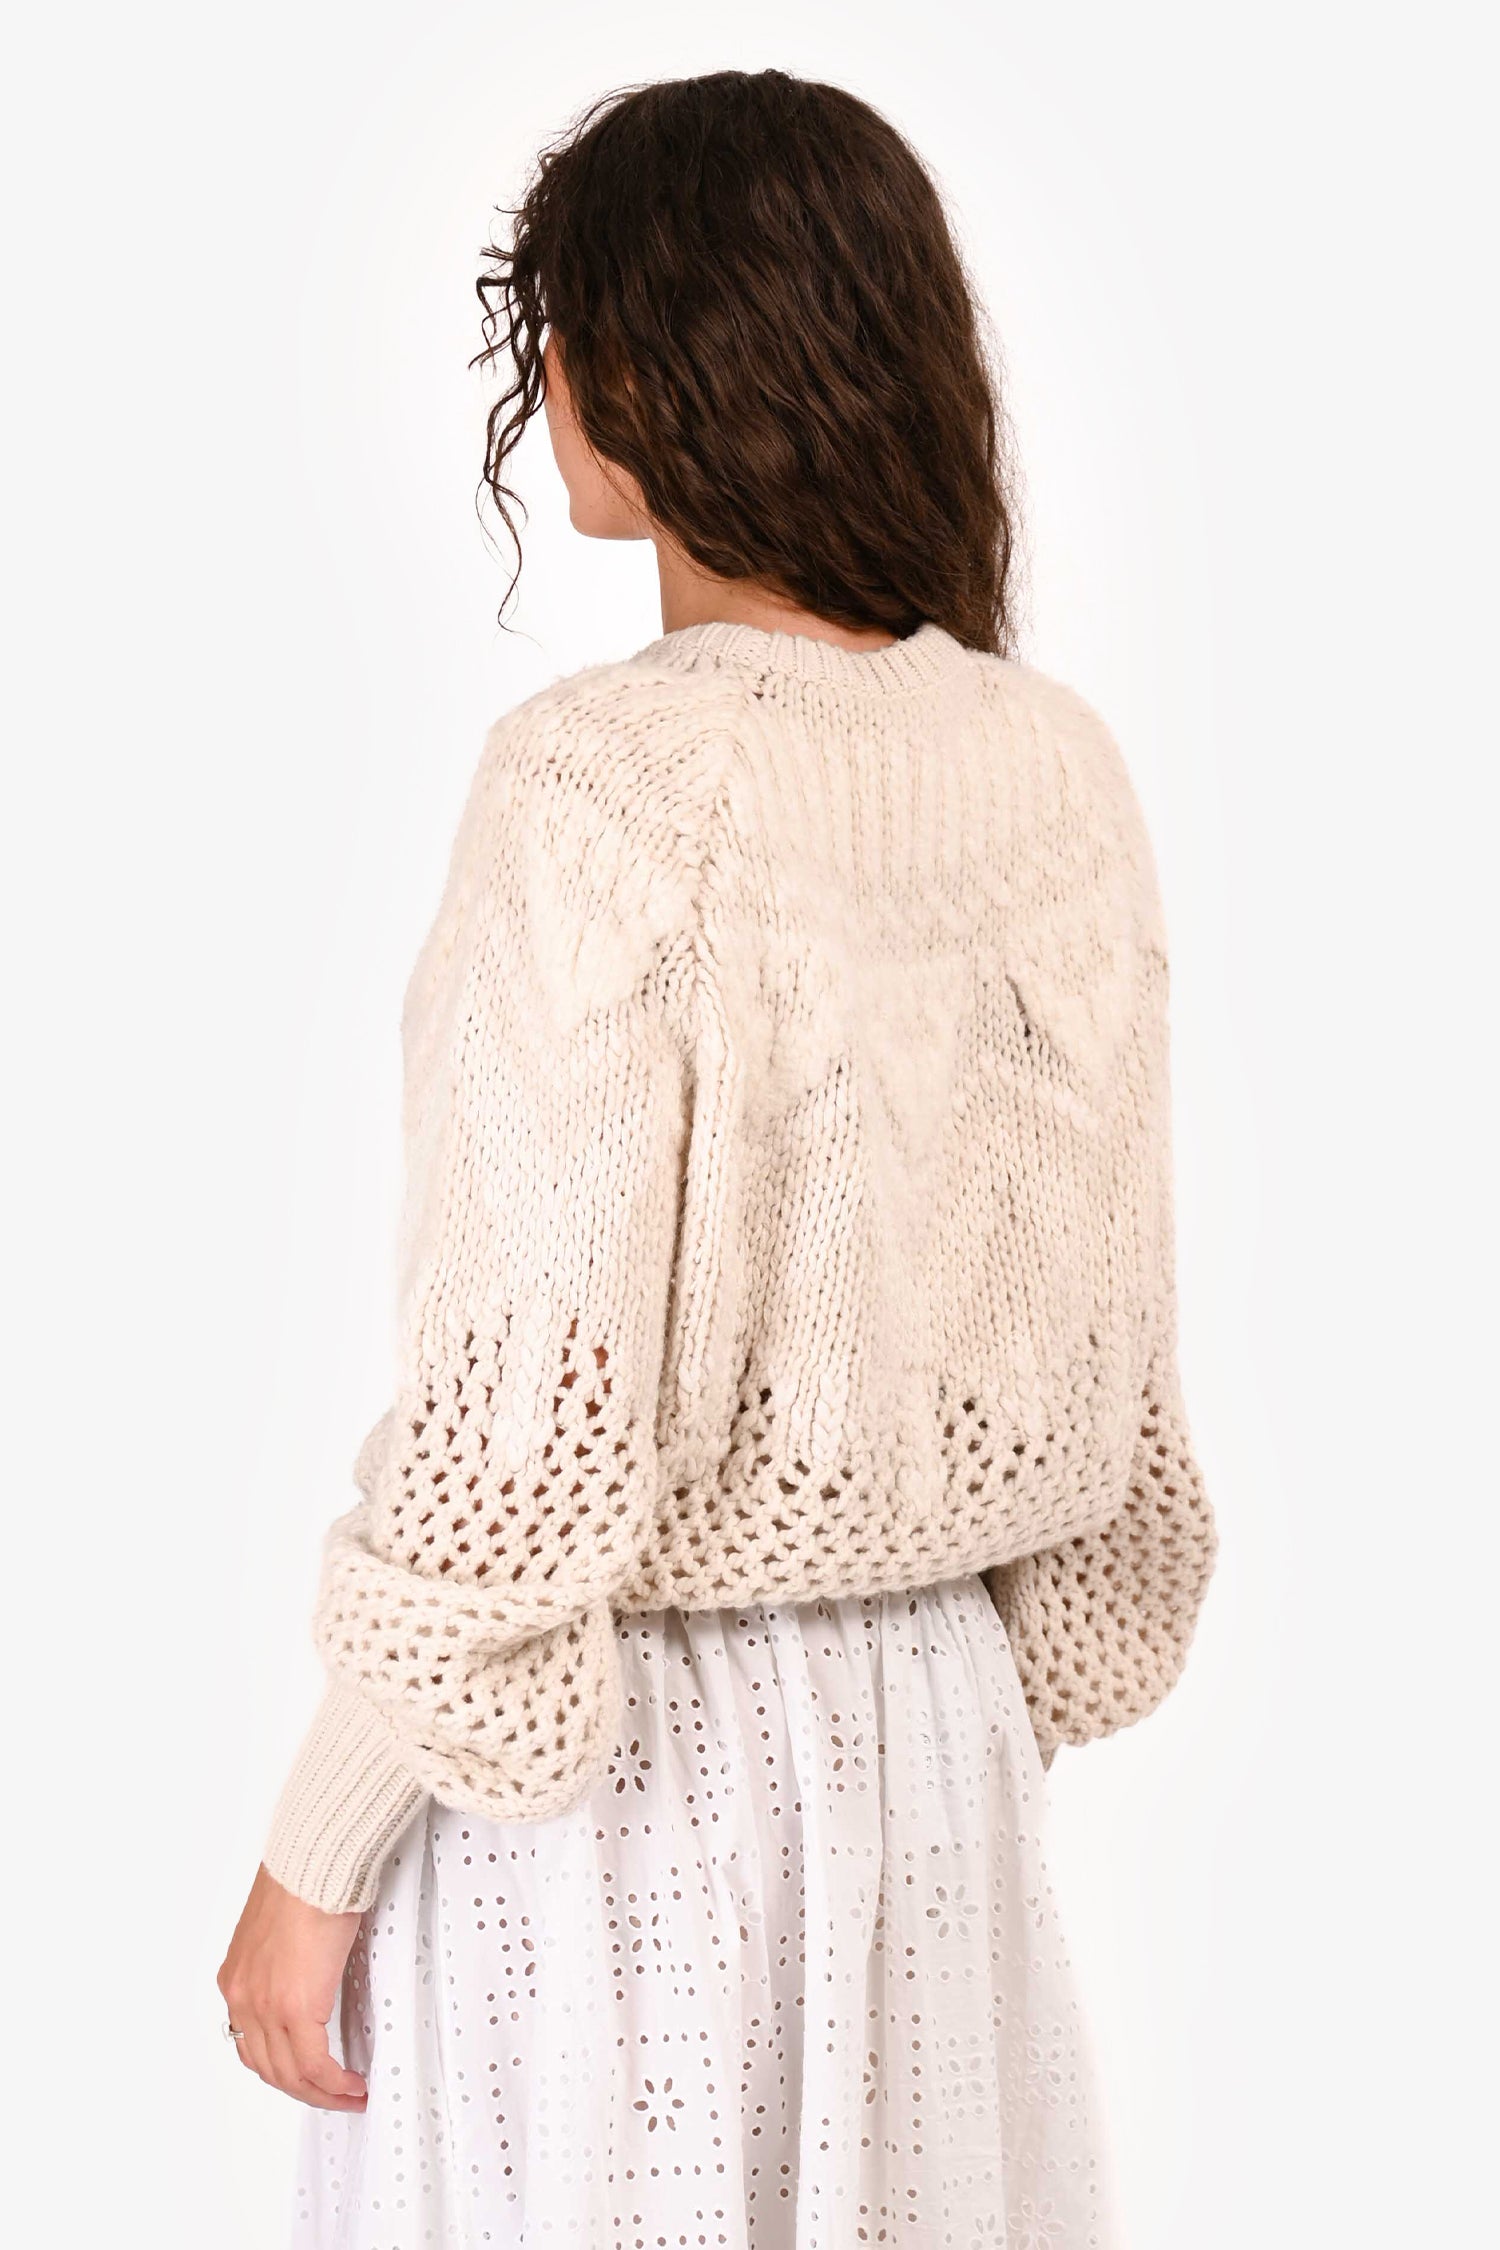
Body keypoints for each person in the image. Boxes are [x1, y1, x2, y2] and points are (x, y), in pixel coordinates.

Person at [219, 68, 1217, 2249]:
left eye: (564, 324)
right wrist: (921, 1689)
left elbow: (521, 1427)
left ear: (664, 359)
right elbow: (1107, 1348)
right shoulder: (1053, 767)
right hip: (939, 1758)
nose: (549, 377)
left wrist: (315, 1851)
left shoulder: (606, 785)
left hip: (619, 1788)